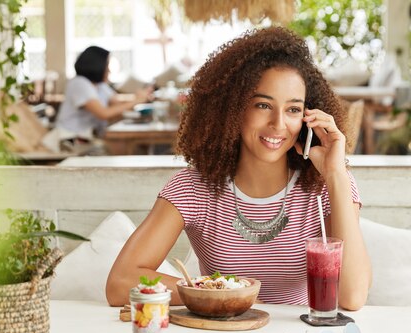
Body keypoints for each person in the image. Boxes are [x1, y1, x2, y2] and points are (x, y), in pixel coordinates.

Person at [107, 27, 371, 309]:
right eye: (262, 105)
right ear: (232, 108)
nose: (279, 124)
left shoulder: (329, 186)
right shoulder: (193, 188)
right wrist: (218, 293)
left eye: (293, 109)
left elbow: (352, 297)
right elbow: (121, 283)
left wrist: (335, 175)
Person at [43, 46, 153, 152]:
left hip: (88, 137)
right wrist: (136, 101)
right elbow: (103, 113)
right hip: (71, 139)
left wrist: (139, 97)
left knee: (132, 147)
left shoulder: (100, 85)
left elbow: (117, 103)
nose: (109, 70)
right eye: (107, 65)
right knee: (121, 148)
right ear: (97, 65)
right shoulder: (79, 83)